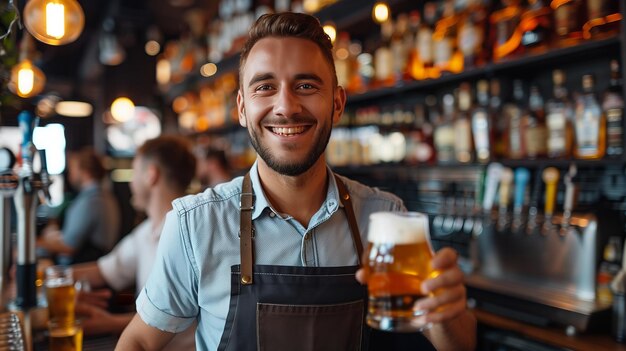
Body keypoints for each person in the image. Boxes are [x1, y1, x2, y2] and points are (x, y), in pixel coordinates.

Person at [117, 12, 476, 351]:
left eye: (305, 85)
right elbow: (140, 342)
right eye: (265, 87)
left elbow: (459, 344)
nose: (285, 106)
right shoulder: (194, 224)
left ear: (336, 103)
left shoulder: (386, 219)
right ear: (242, 108)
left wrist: (448, 311)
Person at [72, 136, 197, 349]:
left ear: (151, 175)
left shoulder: (192, 235)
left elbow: (180, 322)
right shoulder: (147, 231)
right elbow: (103, 270)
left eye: (134, 170)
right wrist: (48, 278)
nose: (131, 181)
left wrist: (109, 323)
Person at [38, 147, 120, 264]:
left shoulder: (90, 201)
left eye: (73, 169)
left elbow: (69, 246)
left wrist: (34, 242)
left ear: (85, 172)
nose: (70, 175)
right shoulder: (105, 196)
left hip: (81, 270)